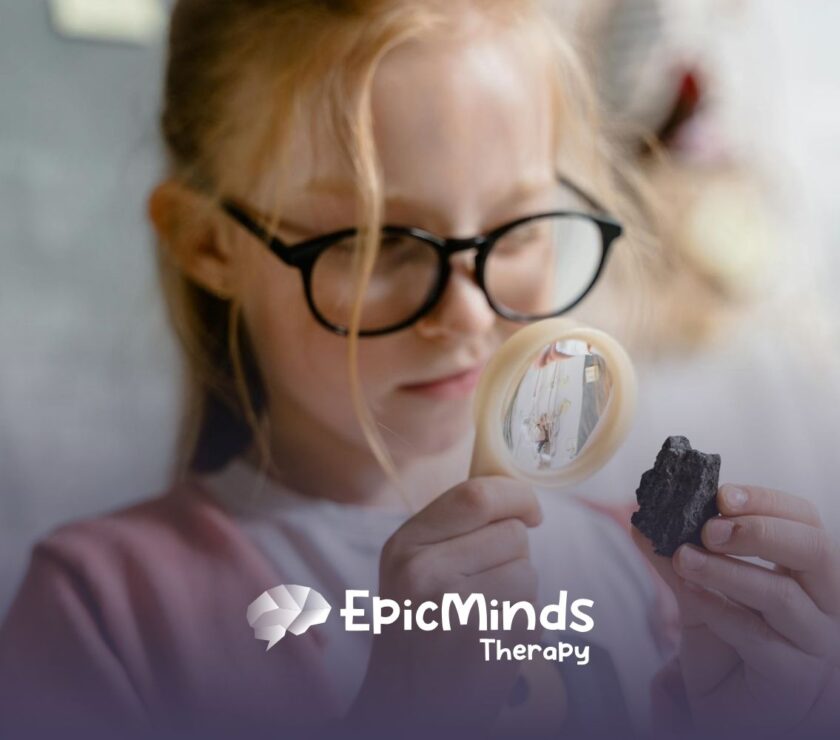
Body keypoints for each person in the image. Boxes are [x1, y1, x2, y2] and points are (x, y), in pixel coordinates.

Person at [1, 1, 838, 739]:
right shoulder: (104, 617)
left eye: (516, 230)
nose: (468, 315)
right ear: (210, 244)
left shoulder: (650, 585)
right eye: (379, 245)